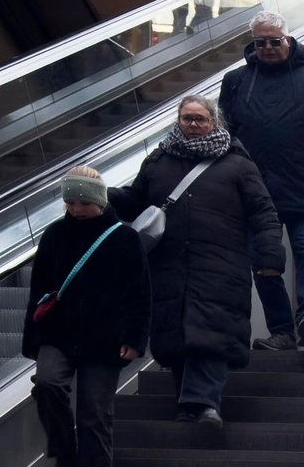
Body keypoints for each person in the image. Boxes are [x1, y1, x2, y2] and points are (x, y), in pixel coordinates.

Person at [111, 93, 282, 434]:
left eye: (199, 119)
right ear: (178, 121)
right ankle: (189, 407)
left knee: (211, 334)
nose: (192, 125)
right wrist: (103, 195)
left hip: (221, 265)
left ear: (213, 122)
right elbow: (134, 201)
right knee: (176, 336)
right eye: (187, 118)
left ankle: (204, 404)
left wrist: (269, 256)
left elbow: (263, 212)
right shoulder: (158, 161)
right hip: (169, 265)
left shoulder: (237, 164)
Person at [218, 13, 304, 351]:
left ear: (289, 40)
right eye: (260, 42)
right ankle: (281, 330)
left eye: (274, 40)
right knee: (264, 261)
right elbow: (224, 135)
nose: (267, 47)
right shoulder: (236, 80)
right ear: (253, 43)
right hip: (255, 189)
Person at [19, 165, 148, 467]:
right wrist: (33, 339)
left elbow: (139, 292)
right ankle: (65, 452)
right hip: (58, 333)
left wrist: (135, 338)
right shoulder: (55, 235)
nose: (76, 209)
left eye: (83, 203)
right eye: (71, 202)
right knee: (47, 383)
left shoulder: (123, 237)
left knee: (95, 412)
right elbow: (39, 288)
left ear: (100, 202)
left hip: (105, 338)